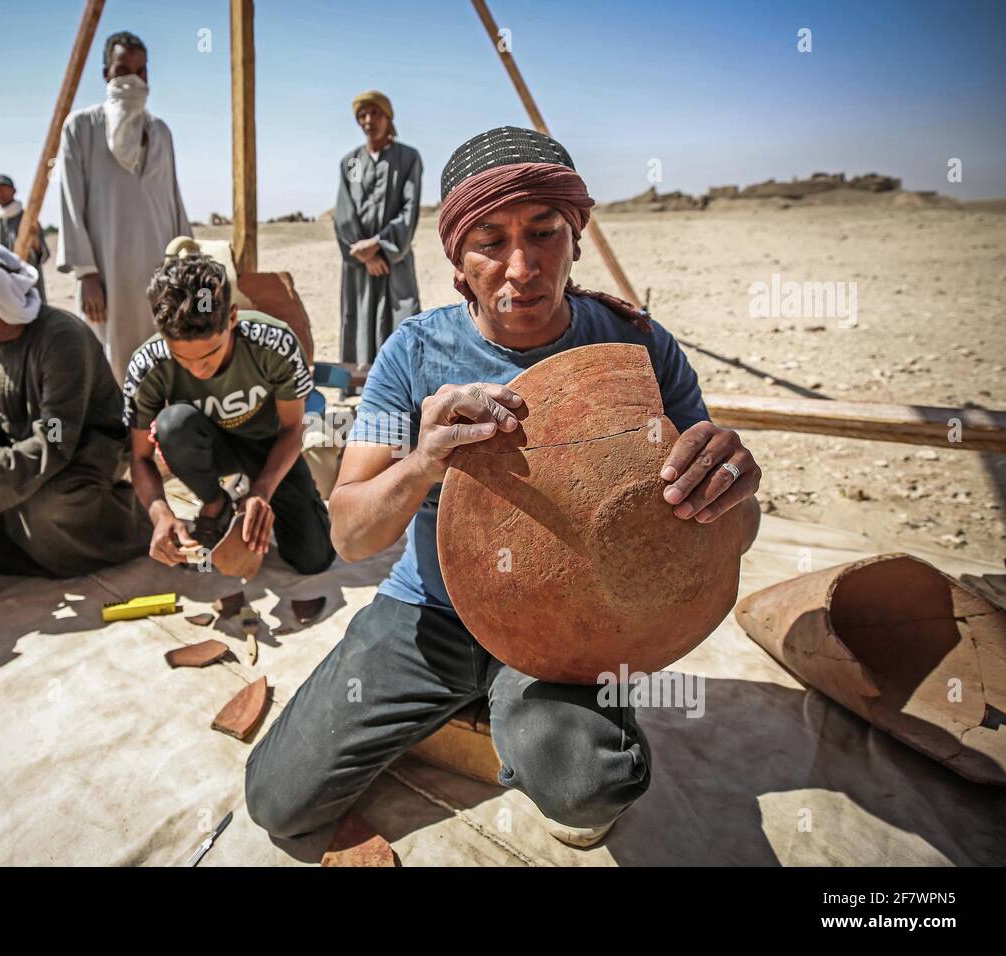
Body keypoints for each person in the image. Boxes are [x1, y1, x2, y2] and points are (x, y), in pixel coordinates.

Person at [245, 127, 762, 848]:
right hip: (431, 610)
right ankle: (465, 700)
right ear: (457, 258)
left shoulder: (636, 346)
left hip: (569, 627)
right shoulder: (413, 354)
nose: (522, 267)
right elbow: (350, 533)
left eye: (544, 232)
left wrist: (735, 489)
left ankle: (527, 711)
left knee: (589, 789)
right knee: (278, 802)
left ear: (575, 237)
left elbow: (728, 522)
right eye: (490, 241)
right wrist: (423, 460)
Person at [0, 232, 151, 577]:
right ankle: (24, 547)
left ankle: (132, 524)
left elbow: (55, 439)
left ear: (1, 300)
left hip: (84, 451)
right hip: (18, 451)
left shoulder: (60, 338)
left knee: (49, 508)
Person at [124, 254, 335, 576]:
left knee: (314, 558)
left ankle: (258, 500)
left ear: (232, 318)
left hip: (268, 446)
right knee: (172, 425)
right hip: (204, 447)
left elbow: (294, 428)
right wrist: (160, 513)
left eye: (210, 353)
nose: (198, 368)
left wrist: (262, 492)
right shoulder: (147, 365)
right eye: (182, 357)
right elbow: (139, 458)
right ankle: (215, 503)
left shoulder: (274, 343)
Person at [56, 30, 193, 384]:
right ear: (106, 75)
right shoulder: (81, 127)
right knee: (112, 360)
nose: (133, 80)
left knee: (165, 350)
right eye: (122, 70)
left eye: (140, 71)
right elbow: (70, 203)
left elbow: (173, 200)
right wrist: (86, 274)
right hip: (108, 272)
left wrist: (187, 263)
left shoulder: (161, 131)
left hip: (160, 269)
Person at [334, 91, 422, 366]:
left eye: (375, 113)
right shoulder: (351, 163)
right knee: (360, 315)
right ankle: (361, 377)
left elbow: (410, 210)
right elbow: (344, 212)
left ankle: (400, 379)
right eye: (363, 115)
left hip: (395, 256)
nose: (368, 120)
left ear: (388, 117)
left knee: (400, 315)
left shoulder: (408, 159)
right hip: (359, 261)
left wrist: (380, 245)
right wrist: (366, 253)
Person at [0, 173, 47, 305]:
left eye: (2, 189)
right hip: (3, 284)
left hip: (28, 282)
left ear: (13, 190)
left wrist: (34, 239)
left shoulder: (28, 218)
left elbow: (42, 254)